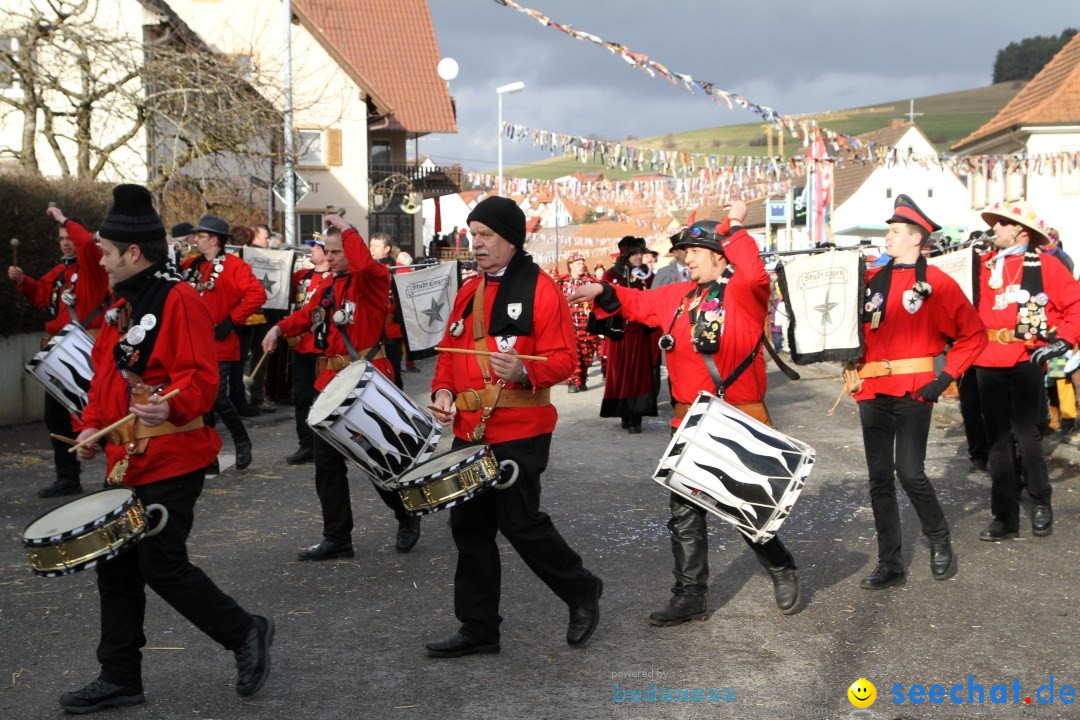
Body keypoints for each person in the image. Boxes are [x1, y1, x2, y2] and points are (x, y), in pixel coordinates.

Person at [63, 184, 271, 714]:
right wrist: (90, 428)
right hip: (125, 461)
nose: (101, 263)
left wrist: (170, 408)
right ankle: (119, 677)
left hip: (173, 458)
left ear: (133, 253)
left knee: (161, 564)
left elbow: (202, 382)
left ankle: (244, 630)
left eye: (106, 253)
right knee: (116, 568)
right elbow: (103, 381)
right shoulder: (121, 304)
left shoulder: (179, 299)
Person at [569, 203, 801, 620]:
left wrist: (732, 227)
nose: (685, 258)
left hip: (738, 419)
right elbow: (634, 303)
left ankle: (781, 567)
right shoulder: (677, 297)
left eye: (694, 251)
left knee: (743, 506)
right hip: (688, 422)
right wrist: (601, 291)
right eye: (684, 252)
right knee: (684, 515)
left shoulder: (745, 294)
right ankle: (690, 596)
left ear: (718, 254)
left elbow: (756, 272)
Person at [426, 196, 602, 658]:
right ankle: (479, 627)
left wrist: (525, 372)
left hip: (521, 429)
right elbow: (449, 354)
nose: (475, 243)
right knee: (469, 528)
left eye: (484, 235)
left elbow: (566, 359)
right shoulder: (468, 290)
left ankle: (582, 590)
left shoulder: (542, 289)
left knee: (520, 524)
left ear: (510, 239)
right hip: (470, 431)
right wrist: (443, 393)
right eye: (473, 233)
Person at [846, 195, 987, 589]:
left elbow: (972, 334)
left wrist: (945, 378)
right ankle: (890, 563)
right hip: (872, 388)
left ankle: (939, 538)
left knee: (910, 473)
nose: (886, 237)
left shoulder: (937, 283)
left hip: (914, 389)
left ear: (916, 238)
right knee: (879, 479)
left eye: (893, 232)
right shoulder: (872, 280)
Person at [262, 218, 422, 558]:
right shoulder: (328, 285)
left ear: (351, 249)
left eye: (337, 251)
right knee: (327, 466)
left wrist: (346, 227)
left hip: (364, 382)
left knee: (377, 461)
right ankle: (337, 537)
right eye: (328, 251)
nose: (330, 257)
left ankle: (406, 514)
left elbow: (364, 263)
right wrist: (278, 329)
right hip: (330, 383)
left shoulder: (373, 280)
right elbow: (308, 314)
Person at [972, 201, 1080, 541]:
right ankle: (1004, 516)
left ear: (1021, 230)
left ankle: (1040, 500)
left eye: (1002, 224)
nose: (995, 229)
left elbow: (1075, 303)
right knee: (998, 442)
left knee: (1027, 434)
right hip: (986, 358)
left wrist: (1062, 340)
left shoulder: (1046, 265)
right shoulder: (983, 265)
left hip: (1026, 357)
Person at [9, 204, 109, 497]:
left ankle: (121, 469)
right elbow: (42, 297)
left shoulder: (92, 268)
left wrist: (64, 218)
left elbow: (88, 244)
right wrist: (22, 282)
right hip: (58, 352)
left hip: (86, 350)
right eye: (61, 237)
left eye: (69, 236)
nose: (66, 242)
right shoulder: (58, 272)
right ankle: (68, 477)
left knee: (96, 413)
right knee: (58, 419)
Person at [182, 216, 267, 472]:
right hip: (194, 344)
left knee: (217, 397)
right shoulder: (193, 265)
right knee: (200, 401)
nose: (196, 239)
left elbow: (257, 294)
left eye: (201, 236)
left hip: (219, 343)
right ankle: (208, 457)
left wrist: (232, 320)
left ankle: (242, 441)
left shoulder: (233, 266)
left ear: (215, 240)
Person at [600, 236, 659, 433]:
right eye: (635, 253)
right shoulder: (611, 276)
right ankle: (624, 412)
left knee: (639, 374)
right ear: (626, 254)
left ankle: (637, 416)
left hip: (640, 332)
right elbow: (603, 300)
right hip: (619, 332)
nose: (639, 257)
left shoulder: (647, 276)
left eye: (641, 253)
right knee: (621, 374)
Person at [283, 235, 333, 465]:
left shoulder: (333, 279)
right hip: (301, 346)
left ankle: (329, 445)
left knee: (324, 398)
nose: (311, 250)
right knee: (301, 397)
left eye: (316, 247)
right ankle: (306, 445)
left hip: (324, 346)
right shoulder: (302, 276)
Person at [555, 253, 602, 393]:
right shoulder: (562, 282)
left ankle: (582, 378)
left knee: (586, 355)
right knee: (572, 353)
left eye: (582, 263)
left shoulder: (591, 281)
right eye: (578, 263)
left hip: (586, 325)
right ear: (571, 265)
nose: (581, 266)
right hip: (568, 325)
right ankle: (573, 382)